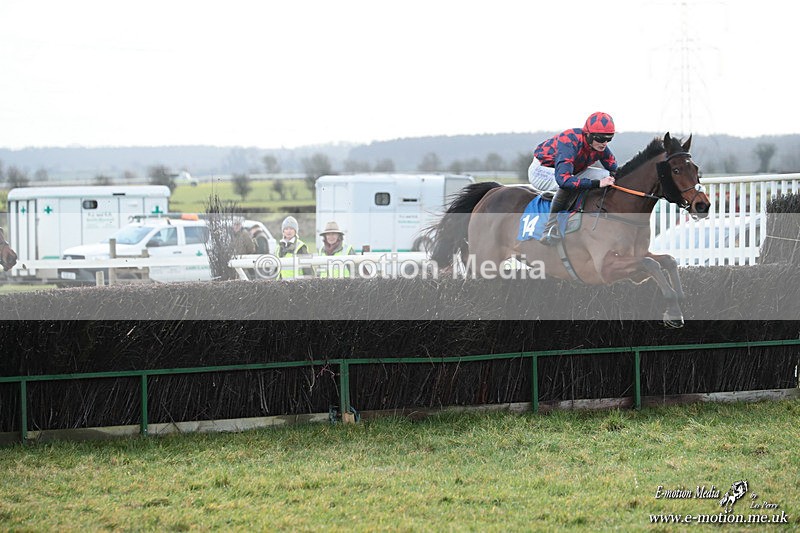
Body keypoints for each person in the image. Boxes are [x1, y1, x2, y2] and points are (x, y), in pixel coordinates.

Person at [530, 111, 619, 244]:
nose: (604, 143)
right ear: (588, 135)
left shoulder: (600, 147)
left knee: (606, 176)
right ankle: (549, 228)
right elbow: (564, 181)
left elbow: (615, 170)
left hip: (569, 172)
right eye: (600, 138)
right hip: (542, 170)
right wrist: (596, 184)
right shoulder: (569, 141)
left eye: (609, 138)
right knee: (570, 186)